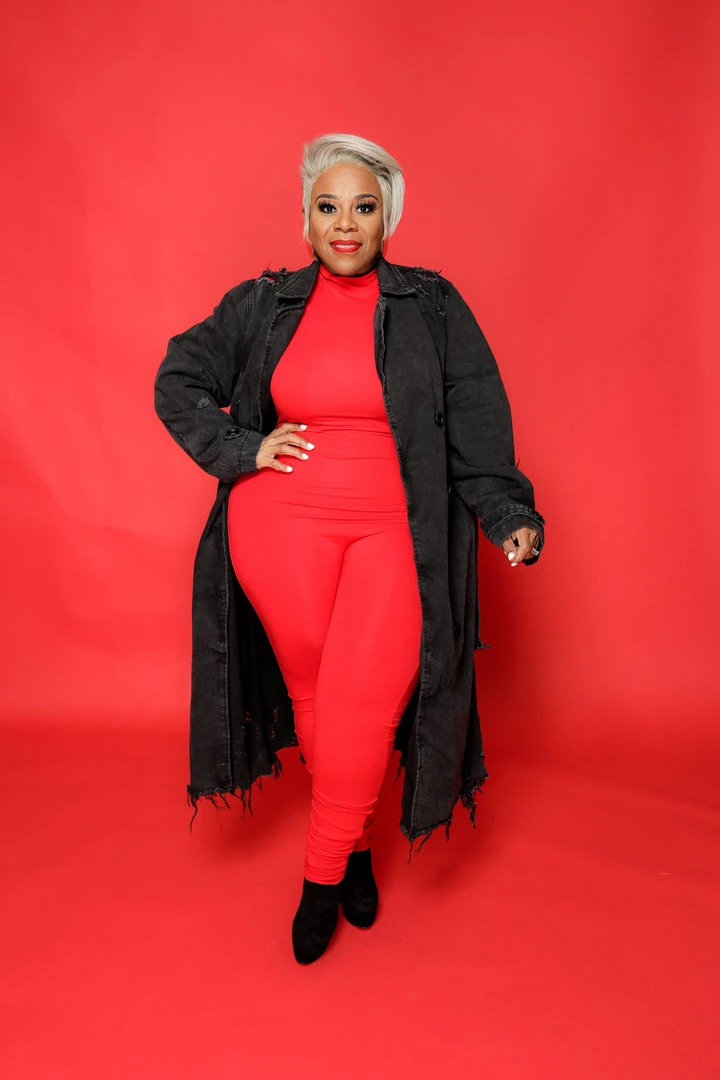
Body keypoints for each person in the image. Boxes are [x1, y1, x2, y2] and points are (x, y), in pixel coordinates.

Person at [154, 132, 545, 965]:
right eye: (327, 207)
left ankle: (321, 877)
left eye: (363, 207)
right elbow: (178, 377)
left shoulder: (433, 306)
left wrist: (507, 512)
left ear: (387, 218)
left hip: (399, 528)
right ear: (304, 218)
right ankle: (358, 843)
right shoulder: (264, 304)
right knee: (317, 696)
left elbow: (477, 418)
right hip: (278, 529)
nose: (344, 224)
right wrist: (241, 450)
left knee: (361, 702)